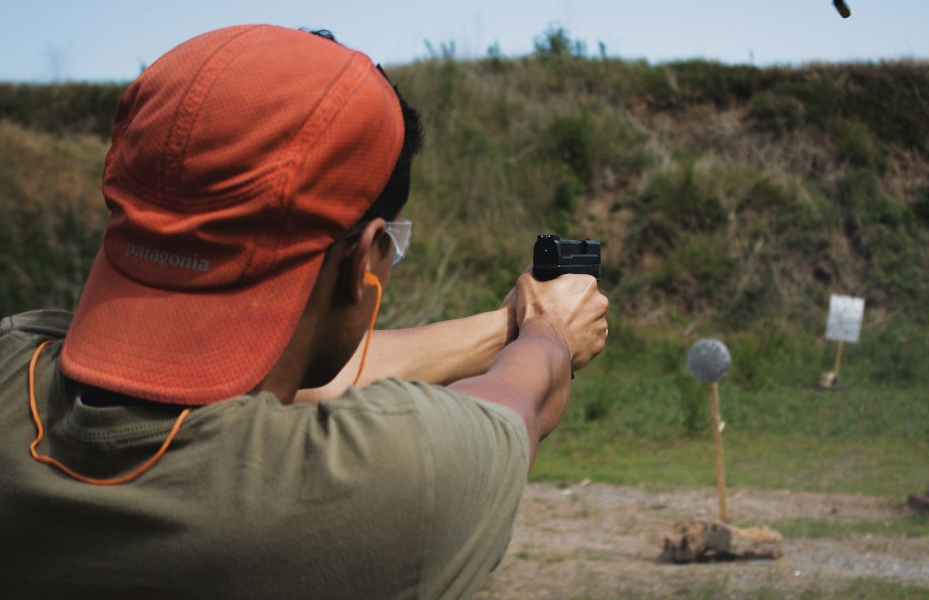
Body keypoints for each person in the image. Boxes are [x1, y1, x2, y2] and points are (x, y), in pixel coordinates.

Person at [0, 25, 608, 599]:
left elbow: (294, 375)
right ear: (363, 261)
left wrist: (510, 324)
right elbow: (515, 408)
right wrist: (550, 336)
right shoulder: (394, 481)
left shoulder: (14, 359)